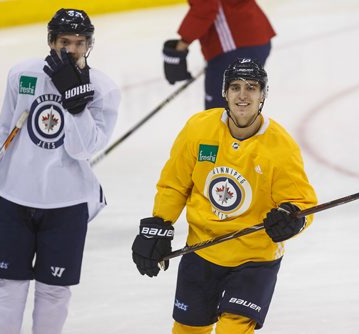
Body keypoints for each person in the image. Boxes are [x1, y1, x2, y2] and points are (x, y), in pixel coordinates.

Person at [0, 8, 120, 334]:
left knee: (54, 290)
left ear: (89, 45)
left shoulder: (103, 89)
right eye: (64, 42)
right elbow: (5, 131)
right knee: (7, 286)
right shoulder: (22, 75)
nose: (72, 50)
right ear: (50, 42)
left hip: (67, 204)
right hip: (17, 197)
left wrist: (75, 101)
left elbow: (84, 149)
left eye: (79, 42)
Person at [132, 58, 317, 333]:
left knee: (233, 329)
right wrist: (159, 224)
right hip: (202, 250)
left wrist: (291, 219)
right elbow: (174, 183)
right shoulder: (199, 129)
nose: (243, 96)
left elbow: (303, 204)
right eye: (235, 87)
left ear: (263, 94)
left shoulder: (280, 147)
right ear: (225, 93)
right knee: (187, 330)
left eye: (251, 88)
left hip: (255, 260)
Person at [162, 0, 276, 110]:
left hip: (234, 46)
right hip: (256, 35)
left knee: (218, 114)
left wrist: (182, 45)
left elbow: (206, 8)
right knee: (240, 110)